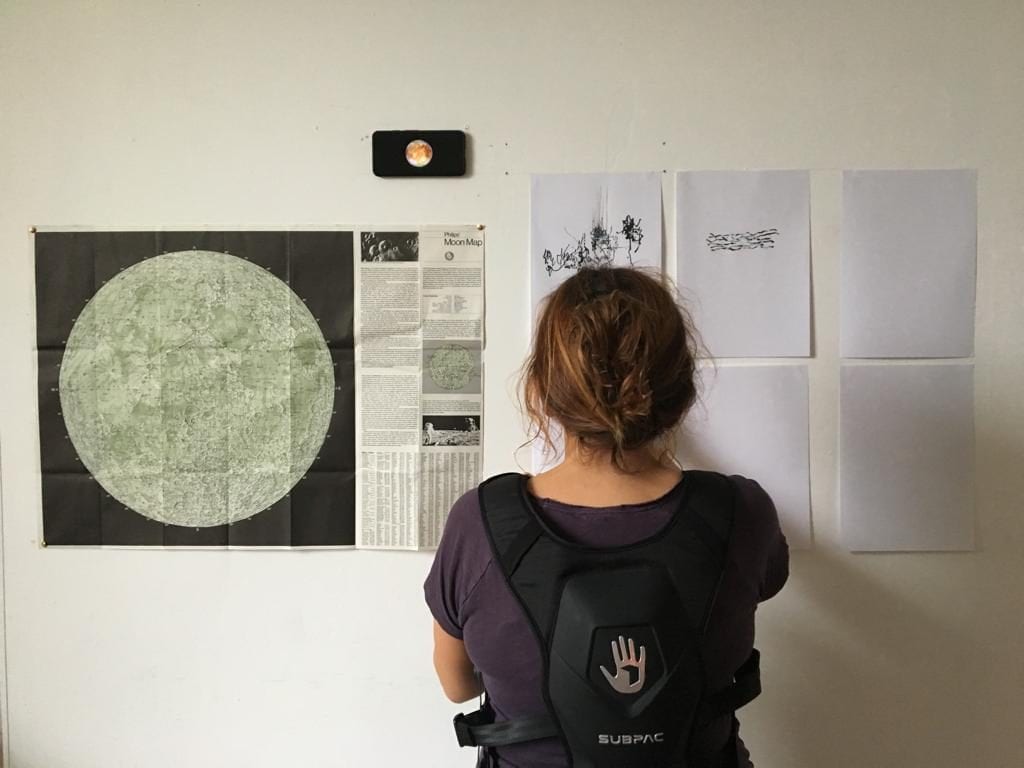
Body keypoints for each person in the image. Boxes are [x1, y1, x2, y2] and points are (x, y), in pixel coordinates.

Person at [424, 266, 789, 767]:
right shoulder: (741, 514)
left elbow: (457, 686)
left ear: (542, 390)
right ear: (681, 389)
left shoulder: (481, 525)